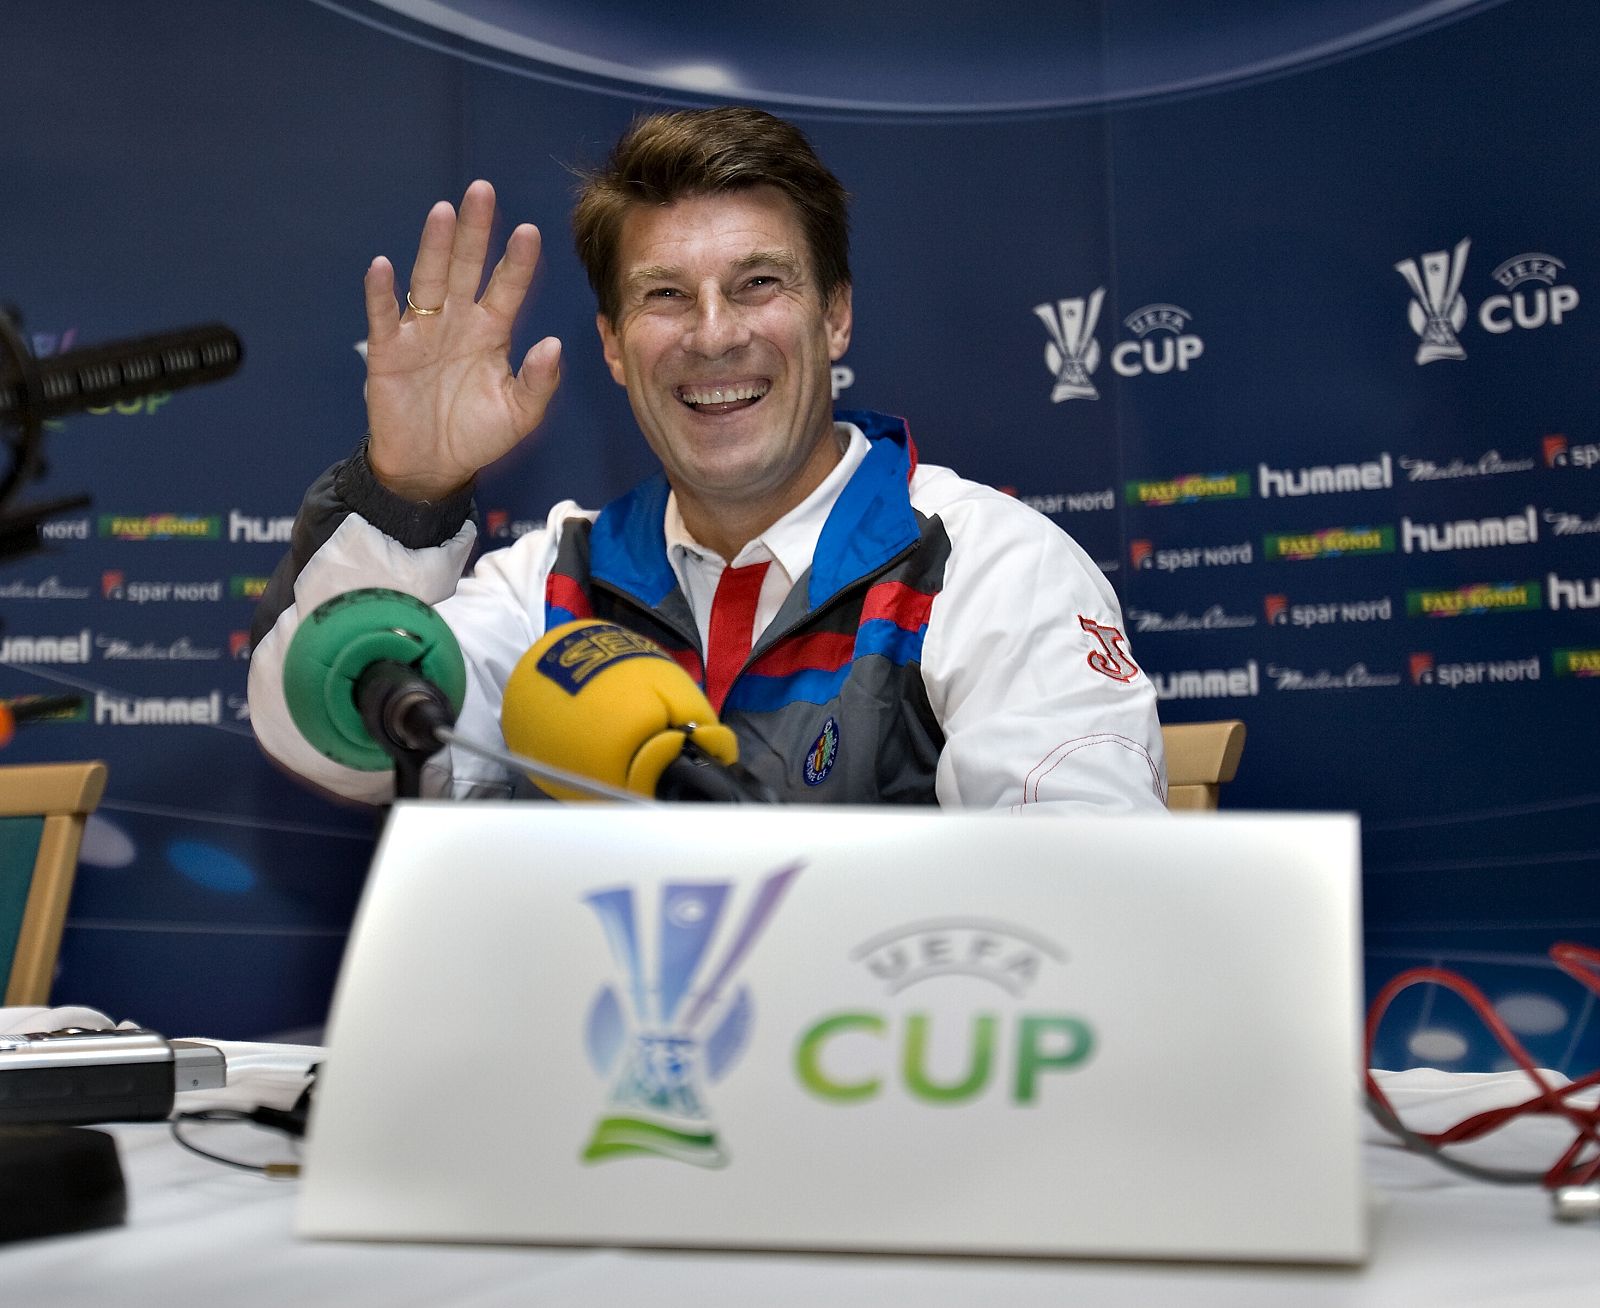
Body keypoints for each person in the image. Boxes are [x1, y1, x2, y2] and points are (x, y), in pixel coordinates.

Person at [248, 107, 1166, 813]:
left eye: (758, 283)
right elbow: (324, 742)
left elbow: (1078, 908)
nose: (715, 335)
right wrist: (406, 489)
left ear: (835, 314)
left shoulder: (987, 568)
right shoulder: (552, 584)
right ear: (612, 345)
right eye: (665, 295)